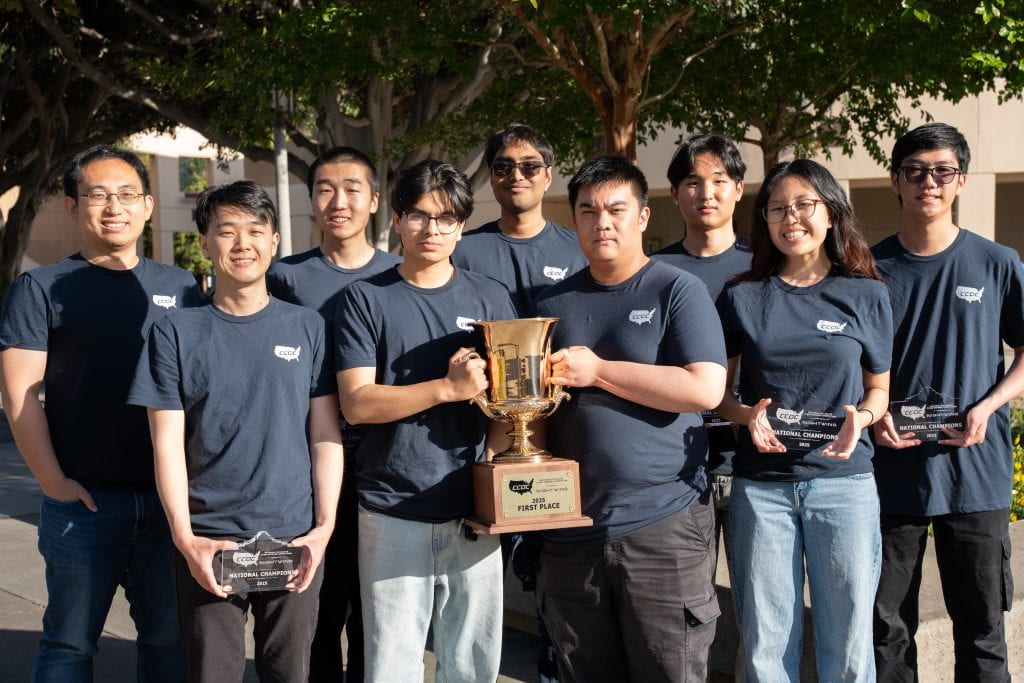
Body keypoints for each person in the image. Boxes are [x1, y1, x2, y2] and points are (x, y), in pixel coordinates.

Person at [128, 181, 343, 681]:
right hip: (211, 540)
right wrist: (186, 540)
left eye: (255, 231)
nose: (242, 244)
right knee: (212, 673)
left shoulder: (308, 327)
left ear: (274, 243)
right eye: (227, 231)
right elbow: (166, 445)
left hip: (294, 537)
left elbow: (325, 434)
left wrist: (323, 531)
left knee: (289, 672)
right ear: (205, 243)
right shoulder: (174, 333)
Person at [0, 145, 196, 682]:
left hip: (167, 502)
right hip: (83, 505)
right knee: (68, 644)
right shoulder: (39, 288)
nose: (115, 206)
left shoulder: (180, 287)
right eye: (98, 195)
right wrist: (54, 483)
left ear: (149, 205)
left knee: (167, 642)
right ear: (72, 206)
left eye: (128, 194)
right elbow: (19, 397)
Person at [533, 155, 728, 681]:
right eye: (589, 211)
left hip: (661, 525)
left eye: (617, 209)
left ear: (642, 216)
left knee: (672, 671)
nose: (603, 223)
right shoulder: (551, 303)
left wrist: (597, 370)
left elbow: (705, 389)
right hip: (570, 530)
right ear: (573, 219)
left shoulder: (675, 289)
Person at [335, 160, 517, 682]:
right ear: (396, 218)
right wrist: (445, 389)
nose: (431, 229)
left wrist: (493, 478)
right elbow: (357, 403)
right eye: (419, 215)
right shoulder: (365, 299)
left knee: (472, 664)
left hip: (473, 512)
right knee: (392, 663)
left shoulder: (491, 298)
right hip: (391, 506)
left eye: (446, 218)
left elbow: (509, 407)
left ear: (461, 224)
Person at [716, 159, 891, 681]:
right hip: (762, 490)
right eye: (777, 209)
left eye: (803, 205)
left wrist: (860, 418)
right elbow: (717, 394)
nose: (790, 218)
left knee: (850, 640)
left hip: (845, 486)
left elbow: (879, 390)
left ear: (832, 213)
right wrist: (746, 415)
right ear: (765, 221)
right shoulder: (742, 295)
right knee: (766, 647)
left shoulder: (866, 294)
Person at [871, 122, 1024, 682]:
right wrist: (872, 412)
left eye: (941, 171)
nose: (927, 182)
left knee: (982, 631)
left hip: (975, 473)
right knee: (885, 630)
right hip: (889, 472)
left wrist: (990, 404)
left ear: (959, 180)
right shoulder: (867, 268)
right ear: (896, 181)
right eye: (914, 171)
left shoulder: (997, 263)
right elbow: (848, 362)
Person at [266, 145, 399, 682]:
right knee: (318, 610)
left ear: (375, 200)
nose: (338, 201)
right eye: (325, 189)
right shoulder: (284, 278)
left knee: (379, 614)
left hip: (389, 467)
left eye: (351, 189)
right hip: (309, 465)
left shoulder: (400, 273)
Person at [651, 133, 751, 669]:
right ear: (674, 193)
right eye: (692, 182)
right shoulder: (654, 274)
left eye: (718, 181)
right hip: (677, 468)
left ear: (738, 189)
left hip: (753, 465)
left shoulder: (765, 270)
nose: (705, 193)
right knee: (684, 613)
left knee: (760, 607)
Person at [451, 124, 587, 315]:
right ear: (491, 177)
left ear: (548, 177)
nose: (516, 175)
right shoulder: (459, 251)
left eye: (529, 167)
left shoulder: (580, 250)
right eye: (502, 167)